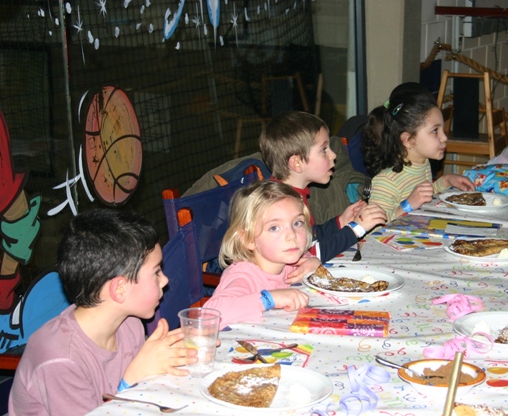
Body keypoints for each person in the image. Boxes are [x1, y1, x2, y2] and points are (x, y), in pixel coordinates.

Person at [9, 209, 197, 416]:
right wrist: (132, 379)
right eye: (156, 272)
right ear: (119, 290)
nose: (165, 280)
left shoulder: (129, 323)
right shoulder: (60, 360)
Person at [260, 111, 387, 262]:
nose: (333, 155)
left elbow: (310, 236)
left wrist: (340, 222)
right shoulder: (280, 205)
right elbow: (307, 255)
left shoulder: (294, 195)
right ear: (297, 163)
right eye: (324, 149)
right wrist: (356, 229)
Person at [204, 180, 317, 328]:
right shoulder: (243, 276)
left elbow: (305, 259)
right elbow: (210, 315)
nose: (292, 235)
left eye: (297, 223)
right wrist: (269, 299)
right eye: (274, 228)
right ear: (248, 239)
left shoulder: (286, 259)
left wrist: (312, 262)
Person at [362, 82, 475, 221]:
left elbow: (424, 194)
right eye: (435, 131)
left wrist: (446, 181)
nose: (444, 137)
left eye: (442, 129)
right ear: (408, 139)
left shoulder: (422, 163)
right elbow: (373, 226)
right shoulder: (386, 182)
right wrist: (407, 205)